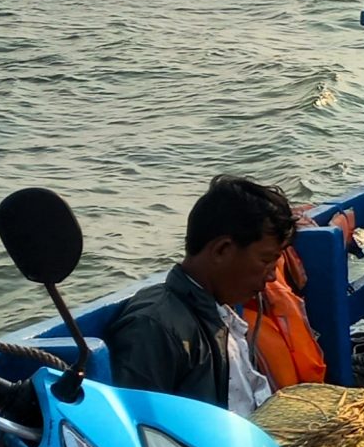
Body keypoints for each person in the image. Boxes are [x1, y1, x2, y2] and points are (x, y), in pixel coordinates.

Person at [105, 175, 298, 416]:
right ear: (222, 250)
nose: (271, 277)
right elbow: (139, 429)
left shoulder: (219, 312)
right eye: (266, 260)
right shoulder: (153, 327)